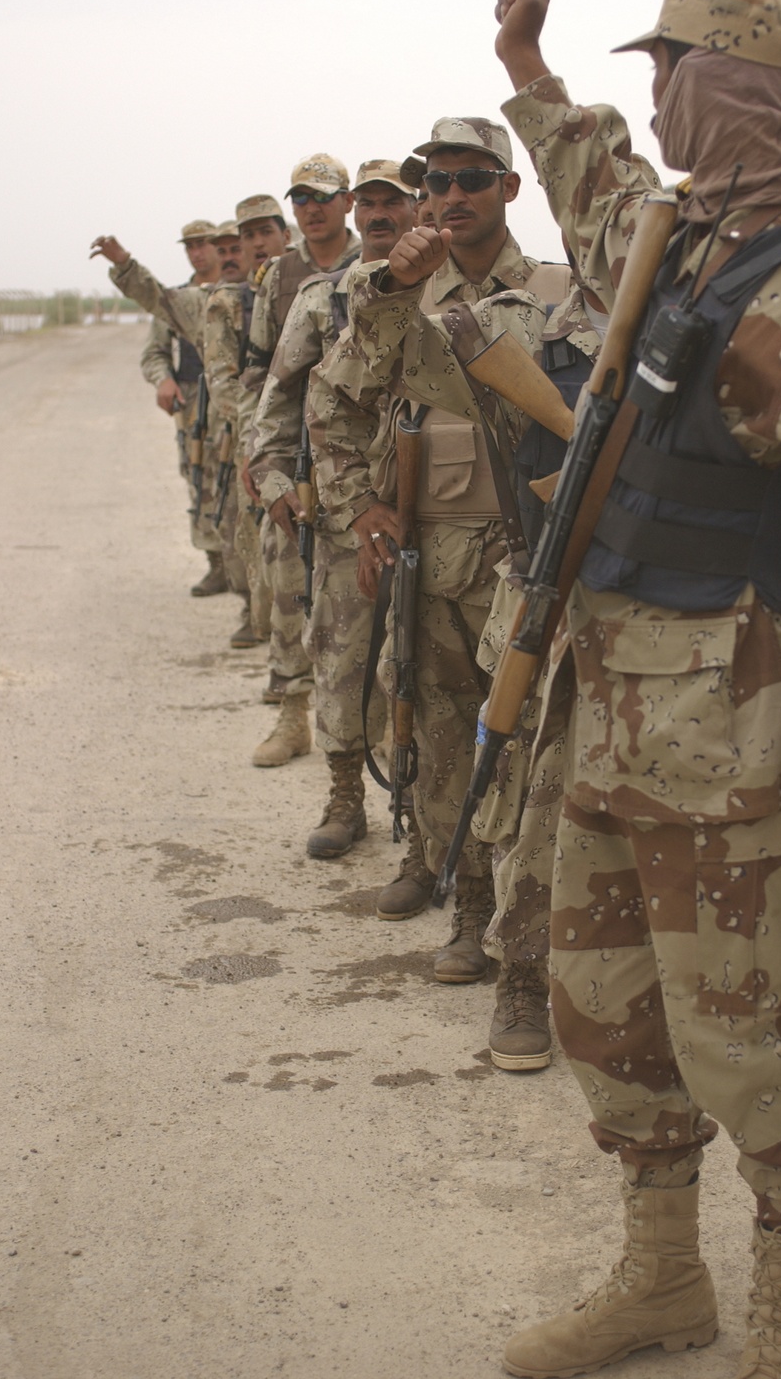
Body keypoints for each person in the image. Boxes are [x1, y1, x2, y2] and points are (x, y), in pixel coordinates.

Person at [484, 0, 781, 1379]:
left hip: (739, 722)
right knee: (609, 1011)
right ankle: (664, 1278)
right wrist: (534, 80)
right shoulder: (677, 231)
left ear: (724, 80)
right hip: (610, 707)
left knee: (755, 1030)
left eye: (662, 71)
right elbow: (594, 182)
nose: (651, 99)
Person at [308, 116, 569, 977]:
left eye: (471, 178)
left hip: (522, 552)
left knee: (526, 739)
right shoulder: (390, 293)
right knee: (438, 723)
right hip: (429, 547)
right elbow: (333, 402)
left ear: (509, 188)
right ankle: (465, 897)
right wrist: (359, 509)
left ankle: (526, 919)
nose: (451, 195)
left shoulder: (559, 289)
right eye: (438, 182)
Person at [246, 160, 418, 854]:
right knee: (342, 657)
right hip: (350, 512)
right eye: (370, 204)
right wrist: (274, 481)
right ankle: (347, 795)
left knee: (425, 667)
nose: (380, 215)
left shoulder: (444, 291)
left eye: (393, 203)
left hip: (438, 511)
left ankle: (427, 808)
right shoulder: (322, 298)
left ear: (416, 210)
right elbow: (278, 401)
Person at [242, 154, 361, 768]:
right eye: (300, 199)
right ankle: (294, 718)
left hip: (362, 461)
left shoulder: (378, 259)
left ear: (347, 201)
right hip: (295, 455)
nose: (311, 209)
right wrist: (257, 457)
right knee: (286, 576)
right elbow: (258, 371)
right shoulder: (278, 276)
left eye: (322, 197)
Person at [201, 197, 290, 649]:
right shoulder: (231, 302)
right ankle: (268, 636)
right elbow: (221, 380)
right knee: (256, 543)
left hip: (307, 438)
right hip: (256, 442)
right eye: (247, 236)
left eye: (264, 233)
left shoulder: (310, 285)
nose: (257, 244)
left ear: (284, 235)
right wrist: (260, 429)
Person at [135, 219, 225, 595]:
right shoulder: (173, 301)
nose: (197, 252)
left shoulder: (238, 291)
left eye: (203, 244)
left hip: (230, 397)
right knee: (198, 481)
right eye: (189, 246)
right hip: (192, 402)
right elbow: (153, 354)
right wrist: (163, 380)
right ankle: (216, 564)